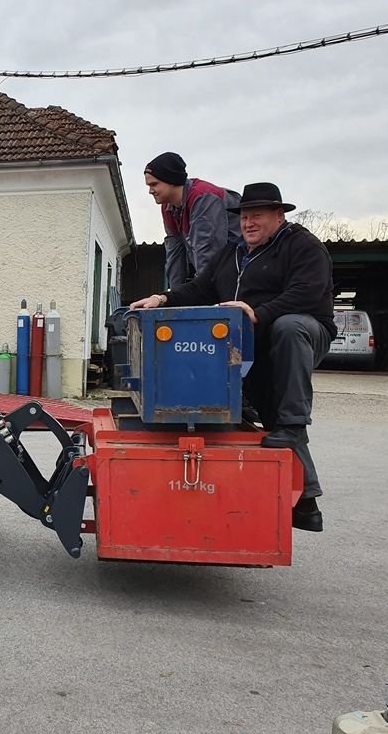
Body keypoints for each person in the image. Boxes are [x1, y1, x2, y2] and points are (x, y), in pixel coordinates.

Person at [130, 182, 336, 532]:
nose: (248, 223)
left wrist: (258, 312)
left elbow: (308, 292)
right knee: (269, 414)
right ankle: (306, 507)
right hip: (251, 342)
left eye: (257, 215)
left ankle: (294, 423)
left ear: (278, 215)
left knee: (288, 330)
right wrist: (162, 298)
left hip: (300, 333)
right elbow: (200, 288)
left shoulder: (302, 246)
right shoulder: (233, 253)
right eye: (244, 217)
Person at [144, 152, 242, 288]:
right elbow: (175, 252)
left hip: (242, 271)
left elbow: (208, 252)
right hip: (221, 270)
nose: (150, 191)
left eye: (154, 184)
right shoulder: (168, 206)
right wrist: (175, 296)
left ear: (172, 180)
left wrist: (200, 294)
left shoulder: (203, 198)